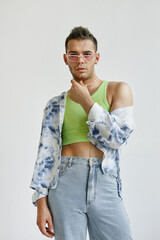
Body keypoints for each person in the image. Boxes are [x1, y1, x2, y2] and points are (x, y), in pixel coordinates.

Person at [30, 26, 135, 239]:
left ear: (96, 57)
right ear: (65, 59)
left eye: (87, 54)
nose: (80, 60)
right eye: (73, 54)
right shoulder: (55, 105)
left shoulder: (118, 90)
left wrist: (87, 102)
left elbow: (117, 139)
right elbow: (45, 156)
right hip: (65, 182)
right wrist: (41, 203)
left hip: (105, 180)